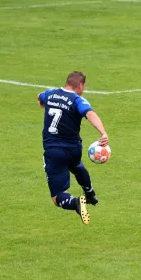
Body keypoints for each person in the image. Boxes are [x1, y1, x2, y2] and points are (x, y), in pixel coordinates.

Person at [37, 71, 109, 225]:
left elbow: (40, 97)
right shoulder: (78, 100)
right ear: (80, 85)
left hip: (54, 152)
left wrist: (43, 104)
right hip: (74, 149)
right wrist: (103, 133)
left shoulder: (50, 94)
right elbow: (90, 114)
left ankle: (76, 203)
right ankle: (90, 193)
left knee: (57, 197)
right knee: (76, 165)